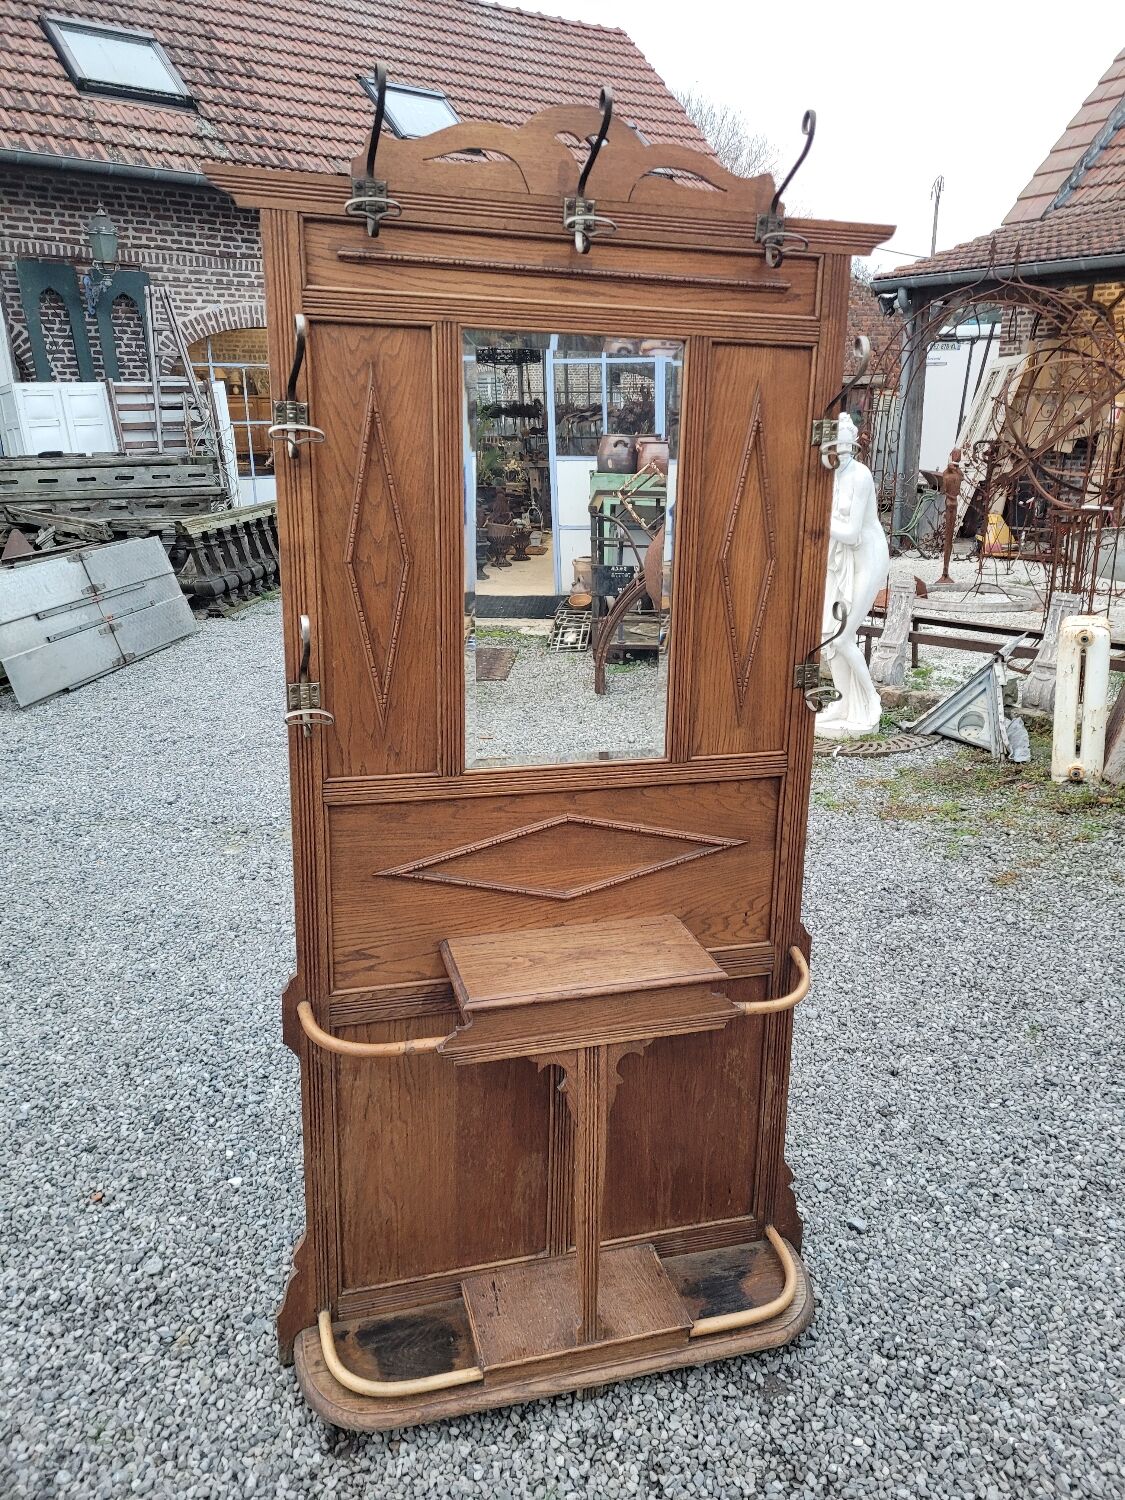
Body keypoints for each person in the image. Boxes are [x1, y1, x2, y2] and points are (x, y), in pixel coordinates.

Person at [816, 413, 890, 737]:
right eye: (833, 448)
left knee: (844, 635)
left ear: (852, 447)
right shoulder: (831, 477)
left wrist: (817, 521)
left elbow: (850, 532)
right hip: (843, 560)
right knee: (828, 636)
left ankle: (870, 699)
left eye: (844, 448)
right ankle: (845, 703)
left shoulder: (860, 476)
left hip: (868, 558)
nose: (838, 454)